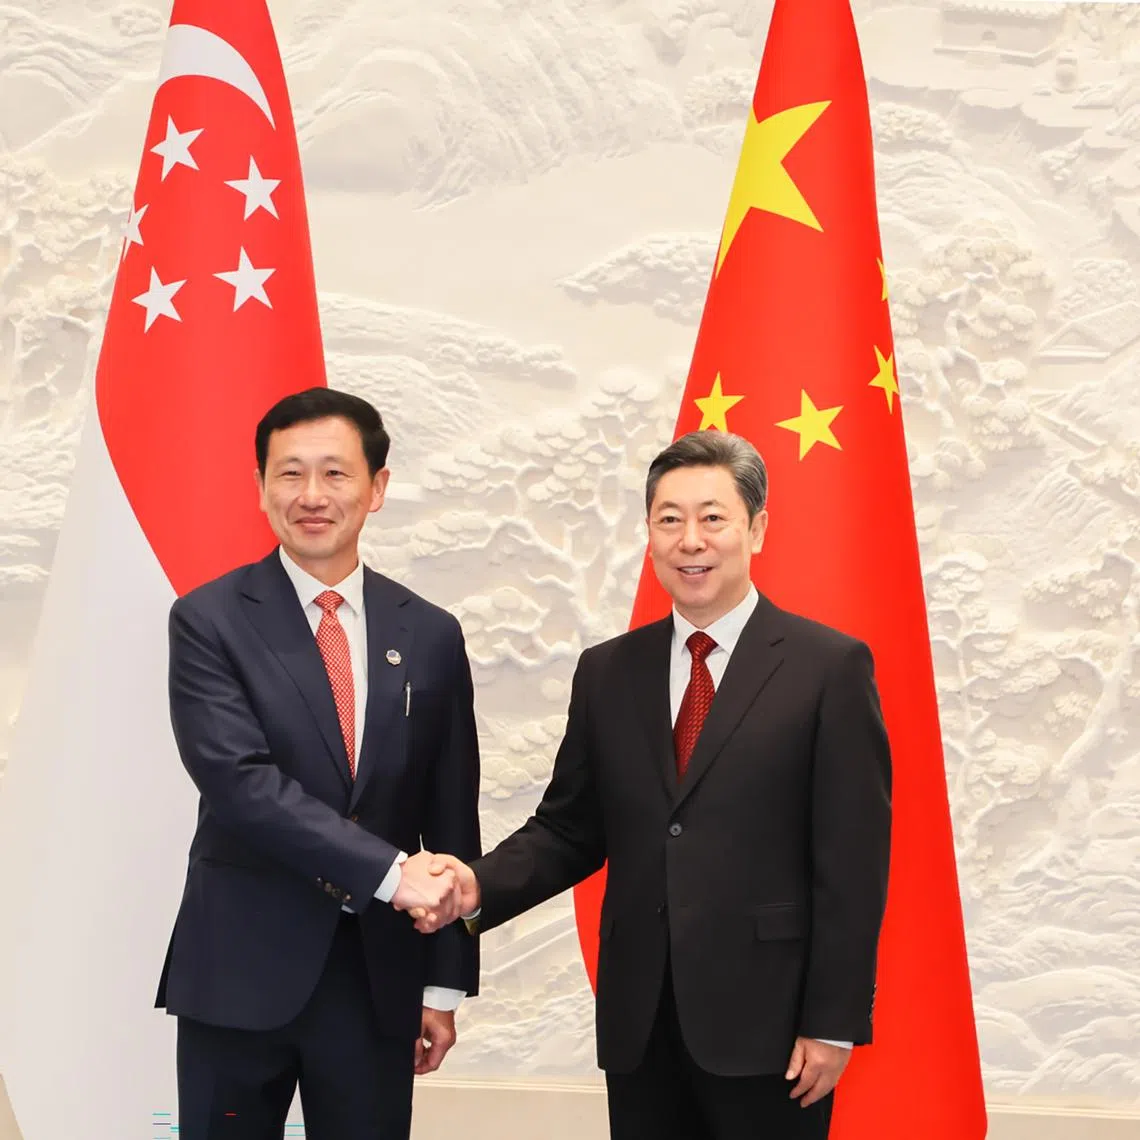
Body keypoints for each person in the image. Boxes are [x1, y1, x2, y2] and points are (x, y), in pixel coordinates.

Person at [424, 430, 891, 1140]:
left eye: (712, 517)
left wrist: (833, 1021)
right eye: (669, 519)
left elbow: (852, 862)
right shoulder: (609, 671)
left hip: (772, 1025)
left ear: (756, 529)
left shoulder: (827, 668)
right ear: (649, 534)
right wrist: (476, 885)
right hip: (641, 1021)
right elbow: (569, 829)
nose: (690, 540)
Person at [156, 387, 480, 1140]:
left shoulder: (430, 633)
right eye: (289, 473)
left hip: (377, 977)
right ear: (261, 487)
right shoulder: (209, 620)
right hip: (238, 970)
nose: (311, 496)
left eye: (335, 474)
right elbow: (242, 785)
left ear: (378, 488)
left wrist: (443, 982)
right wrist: (397, 875)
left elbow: (451, 808)